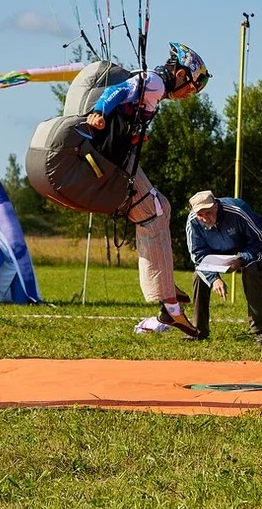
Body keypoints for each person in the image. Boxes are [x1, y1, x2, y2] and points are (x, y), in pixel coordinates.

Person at [84, 42, 212, 338]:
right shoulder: (153, 82)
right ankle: (170, 305)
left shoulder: (155, 88)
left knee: (161, 208)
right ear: (180, 74)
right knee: (154, 212)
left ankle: (165, 288)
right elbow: (116, 92)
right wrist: (99, 112)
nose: (189, 94)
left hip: (120, 156)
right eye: (191, 87)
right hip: (111, 159)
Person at [184, 190, 262, 343]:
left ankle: (259, 330)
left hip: (244, 248)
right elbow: (198, 255)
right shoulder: (192, 221)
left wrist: (242, 258)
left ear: (216, 206)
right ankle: (198, 330)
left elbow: (261, 239)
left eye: (208, 212)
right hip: (213, 254)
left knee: (251, 270)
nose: (205, 218)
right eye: (200, 215)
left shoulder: (238, 210)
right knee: (198, 277)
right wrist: (214, 279)